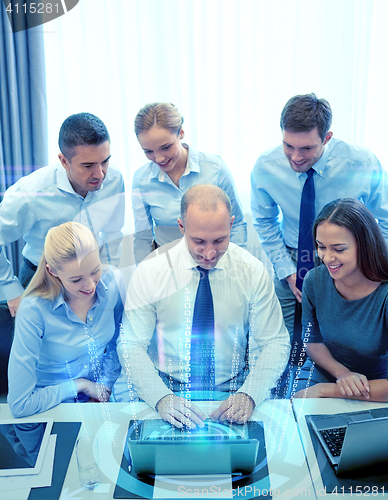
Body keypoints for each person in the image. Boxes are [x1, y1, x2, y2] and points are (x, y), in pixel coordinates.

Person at [119, 185, 290, 428]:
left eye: (219, 240)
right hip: (166, 389)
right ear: (181, 226)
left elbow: (275, 342)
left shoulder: (252, 271)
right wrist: (161, 398)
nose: (209, 253)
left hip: (233, 389)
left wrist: (249, 393)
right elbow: (130, 345)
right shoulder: (151, 270)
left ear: (231, 225)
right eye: (198, 241)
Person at [250, 93, 388, 338]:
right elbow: (264, 220)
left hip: (349, 259)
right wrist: (287, 270)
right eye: (288, 146)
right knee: (283, 338)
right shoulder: (265, 166)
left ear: (327, 137)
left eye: (306, 148)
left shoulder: (361, 163)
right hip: (293, 257)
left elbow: (386, 218)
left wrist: (369, 262)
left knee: (342, 338)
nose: (295, 156)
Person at [0, 112, 125, 317]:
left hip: (91, 278)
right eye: (88, 165)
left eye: (105, 161)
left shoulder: (115, 179)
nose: (100, 174)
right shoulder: (30, 193)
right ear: (64, 161)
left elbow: (113, 232)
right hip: (43, 281)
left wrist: (109, 277)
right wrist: (12, 291)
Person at [7, 222, 124, 418]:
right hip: (47, 408)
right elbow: (20, 405)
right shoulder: (34, 309)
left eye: (95, 270)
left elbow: (116, 343)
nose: (90, 286)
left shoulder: (113, 283)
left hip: (95, 404)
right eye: (76, 279)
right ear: (52, 271)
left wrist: (103, 385)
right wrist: (80, 386)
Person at [293, 199, 388, 402]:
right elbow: (312, 341)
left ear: (364, 245)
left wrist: (327, 390)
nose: (327, 258)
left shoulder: (385, 293)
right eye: (321, 247)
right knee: (297, 413)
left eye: (338, 249)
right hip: (325, 368)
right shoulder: (314, 280)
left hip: (378, 382)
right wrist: (342, 374)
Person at [132, 102, 247, 263]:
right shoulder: (141, 180)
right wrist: (142, 276)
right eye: (148, 151)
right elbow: (143, 238)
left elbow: (237, 223)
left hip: (217, 262)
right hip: (170, 268)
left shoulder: (215, 168)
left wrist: (236, 266)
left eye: (165, 147)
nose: (158, 158)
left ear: (181, 133)